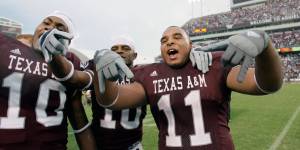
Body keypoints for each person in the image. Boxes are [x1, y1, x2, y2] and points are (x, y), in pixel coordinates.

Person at [93, 26, 283, 149]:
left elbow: (266, 85)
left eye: (177, 37)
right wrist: (100, 63)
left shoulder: (212, 65)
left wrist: (265, 47)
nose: (169, 41)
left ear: (191, 45)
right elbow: (112, 99)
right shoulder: (150, 74)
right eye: (164, 40)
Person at [0, 11, 96, 149]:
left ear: (67, 42)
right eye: (46, 23)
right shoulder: (5, 47)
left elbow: (79, 122)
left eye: (59, 28)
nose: (49, 28)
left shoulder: (71, 62)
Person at [81, 36, 146, 150]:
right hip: (100, 144)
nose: (119, 51)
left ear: (135, 55)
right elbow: (78, 77)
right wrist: (99, 56)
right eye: (114, 49)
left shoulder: (143, 74)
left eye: (125, 48)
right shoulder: (97, 68)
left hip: (132, 145)